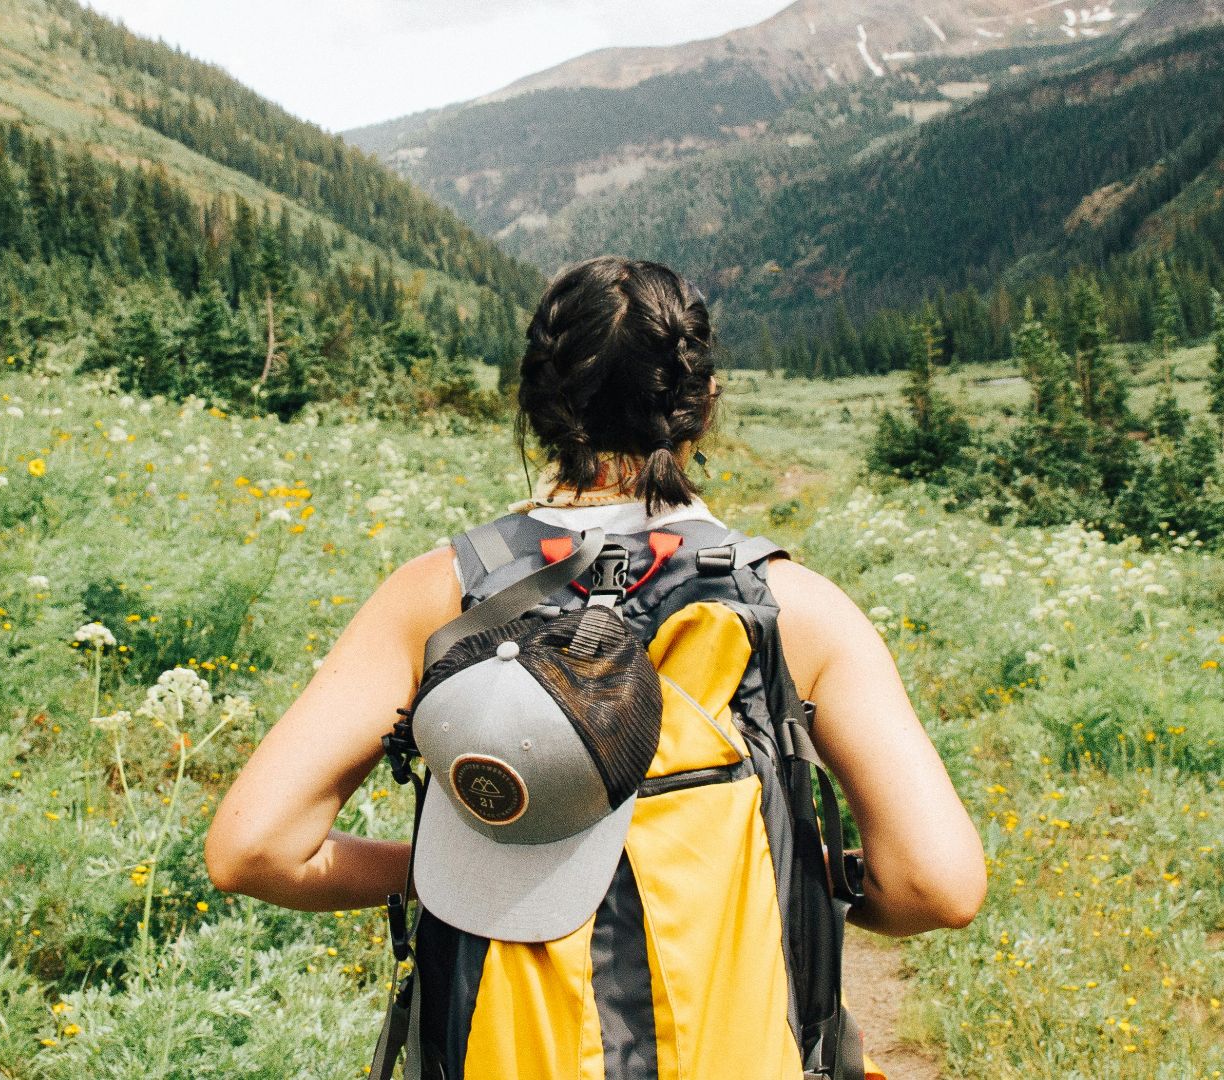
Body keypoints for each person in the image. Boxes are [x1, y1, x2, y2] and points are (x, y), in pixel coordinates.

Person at [205, 256, 986, 1073]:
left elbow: (254, 848)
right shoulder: (791, 606)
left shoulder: (438, 595)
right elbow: (938, 884)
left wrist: (434, 868)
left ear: (537, 403)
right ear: (703, 403)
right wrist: (807, 871)